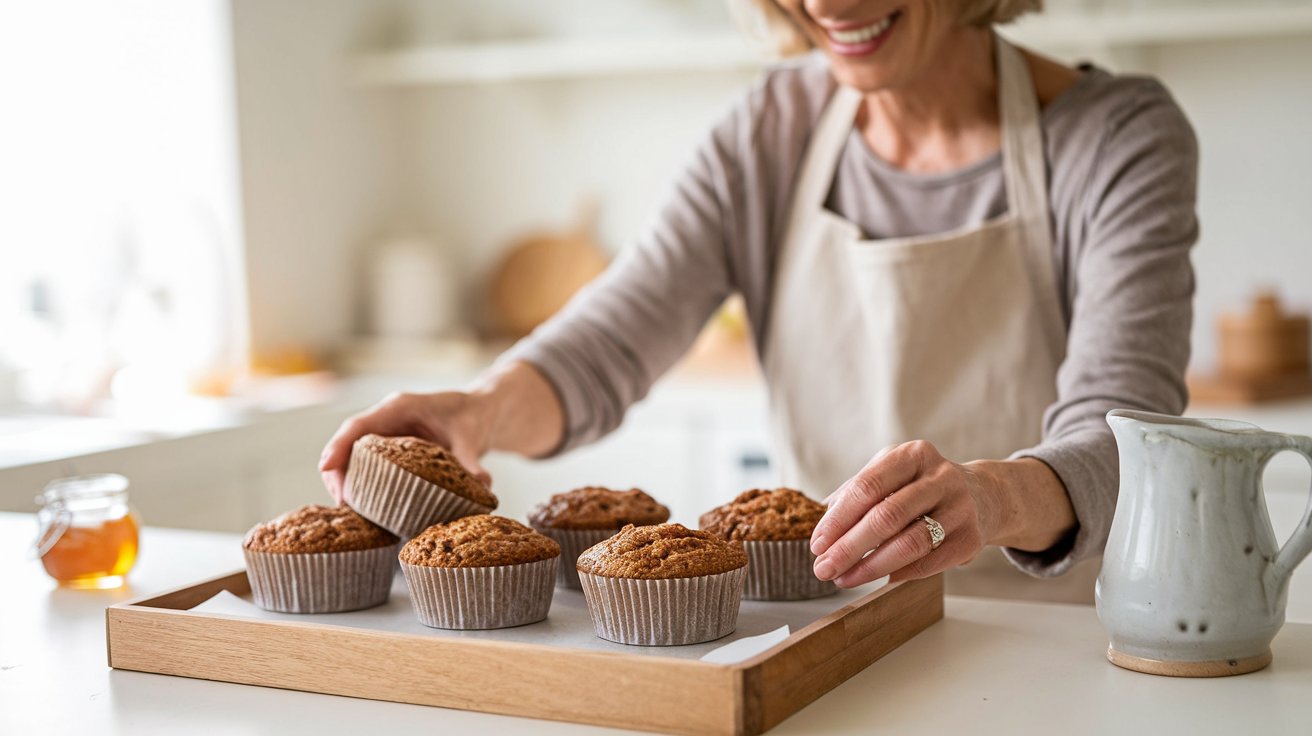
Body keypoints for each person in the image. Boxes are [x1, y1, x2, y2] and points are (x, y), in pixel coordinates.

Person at [320, 0, 1196, 603]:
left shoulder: (1115, 137)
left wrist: (993, 500)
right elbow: (610, 342)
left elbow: (1126, 436)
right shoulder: (765, 135)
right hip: (824, 632)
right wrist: (476, 412)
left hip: (1047, 644)